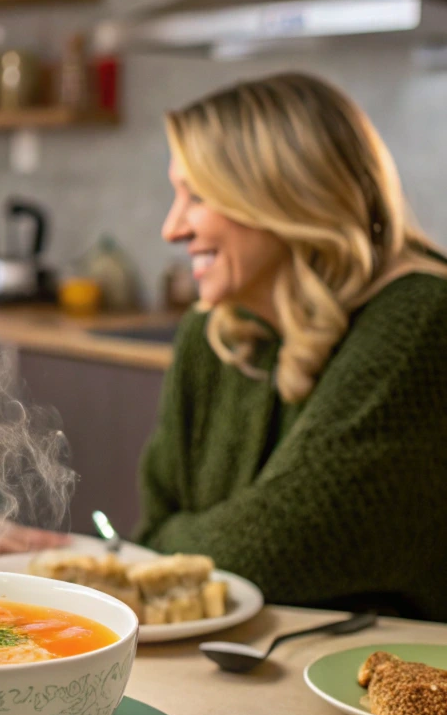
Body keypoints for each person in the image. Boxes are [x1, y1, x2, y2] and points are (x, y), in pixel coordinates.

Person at [135, 72, 447, 621]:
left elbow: (275, 548)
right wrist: (167, 547)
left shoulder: (423, 317)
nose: (171, 227)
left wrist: (172, 546)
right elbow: (153, 532)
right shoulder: (212, 332)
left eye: (198, 195)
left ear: (285, 195)